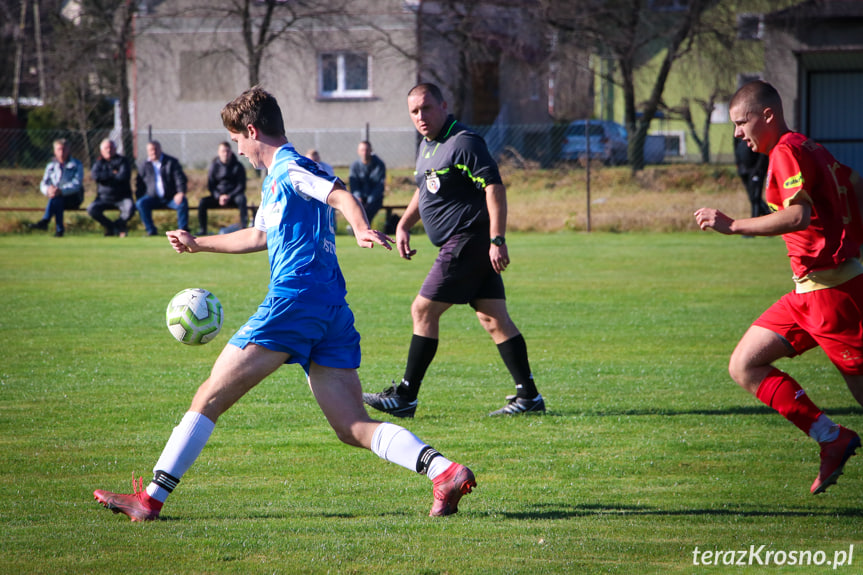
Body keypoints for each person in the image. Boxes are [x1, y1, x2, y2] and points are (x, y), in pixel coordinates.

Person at [93, 86, 476, 522]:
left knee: (209, 396)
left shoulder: (291, 167)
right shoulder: (282, 176)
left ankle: (149, 501)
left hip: (295, 300)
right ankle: (443, 471)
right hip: (330, 308)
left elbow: (341, 195)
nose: (238, 150)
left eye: (238, 139)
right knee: (352, 427)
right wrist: (199, 244)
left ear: (252, 130)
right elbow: (259, 235)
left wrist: (361, 227)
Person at [694, 80, 863, 495]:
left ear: (768, 115)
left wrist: (733, 225)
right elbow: (854, 182)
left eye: (742, 122)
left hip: (832, 296)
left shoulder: (786, 150)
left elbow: (797, 217)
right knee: (744, 365)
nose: (737, 133)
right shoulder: (809, 146)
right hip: (809, 292)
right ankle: (831, 438)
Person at [363, 83, 545, 418]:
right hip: (462, 243)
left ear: (444, 105)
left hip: (468, 240)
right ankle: (529, 397)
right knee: (493, 319)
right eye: (414, 112)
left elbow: (494, 188)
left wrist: (497, 239)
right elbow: (425, 189)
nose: (421, 117)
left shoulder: (464, 142)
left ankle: (405, 396)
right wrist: (403, 224)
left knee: (422, 310)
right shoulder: (428, 146)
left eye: (427, 108)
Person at [28, 138, 84, 237]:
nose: (61, 152)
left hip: (73, 197)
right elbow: (44, 183)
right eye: (59, 149)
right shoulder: (51, 166)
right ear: (54, 151)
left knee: (57, 198)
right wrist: (48, 190)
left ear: (68, 150)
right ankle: (58, 230)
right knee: (56, 199)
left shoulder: (76, 164)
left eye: (64, 149)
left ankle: (46, 222)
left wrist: (61, 191)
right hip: (56, 197)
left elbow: (77, 184)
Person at [135, 140, 189, 236]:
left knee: (182, 202)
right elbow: (139, 184)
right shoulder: (144, 165)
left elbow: (180, 179)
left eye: (155, 149)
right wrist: (139, 196)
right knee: (140, 203)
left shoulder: (171, 162)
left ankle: (182, 231)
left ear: (160, 149)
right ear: (147, 151)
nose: (153, 152)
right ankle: (151, 230)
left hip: (171, 198)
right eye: (151, 150)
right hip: (152, 198)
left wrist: (180, 192)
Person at [198, 141, 248, 235]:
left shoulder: (238, 166)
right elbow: (211, 185)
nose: (225, 153)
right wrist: (219, 196)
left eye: (227, 151)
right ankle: (203, 230)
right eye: (223, 151)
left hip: (233, 196)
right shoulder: (214, 166)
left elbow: (241, 186)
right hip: (218, 197)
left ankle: (244, 228)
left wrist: (229, 196)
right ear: (218, 152)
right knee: (203, 202)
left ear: (230, 152)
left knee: (242, 199)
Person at [88, 138, 135, 237]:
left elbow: (123, 176)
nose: (108, 150)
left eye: (111, 147)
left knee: (130, 208)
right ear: (101, 151)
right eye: (106, 148)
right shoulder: (98, 163)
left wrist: (105, 177)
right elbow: (96, 177)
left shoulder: (123, 161)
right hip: (103, 198)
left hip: (122, 197)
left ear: (115, 149)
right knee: (92, 209)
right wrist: (113, 174)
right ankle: (110, 226)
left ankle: (118, 225)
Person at [349, 140, 386, 226]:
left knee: (367, 212)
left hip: (374, 199)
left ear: (371, 150)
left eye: (367, 150)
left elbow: (379, 186)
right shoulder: (354, 166)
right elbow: (354, 184)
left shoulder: (379, 165)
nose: (364, 152)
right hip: (360, 198)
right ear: (358, 152)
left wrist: (369, 201)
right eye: (362, 150)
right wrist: (358, 197)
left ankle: (363, 228)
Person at [734, 136, 770, 223]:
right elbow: (735, 147)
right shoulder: (737, 133)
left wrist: (757, 169)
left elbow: (763, 154)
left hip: (755, 170)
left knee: (755, 198)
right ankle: (770, 218)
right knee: (752, 198)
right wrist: (738, 165)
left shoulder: (756, 134)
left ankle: (754, 225)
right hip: (744, 170)